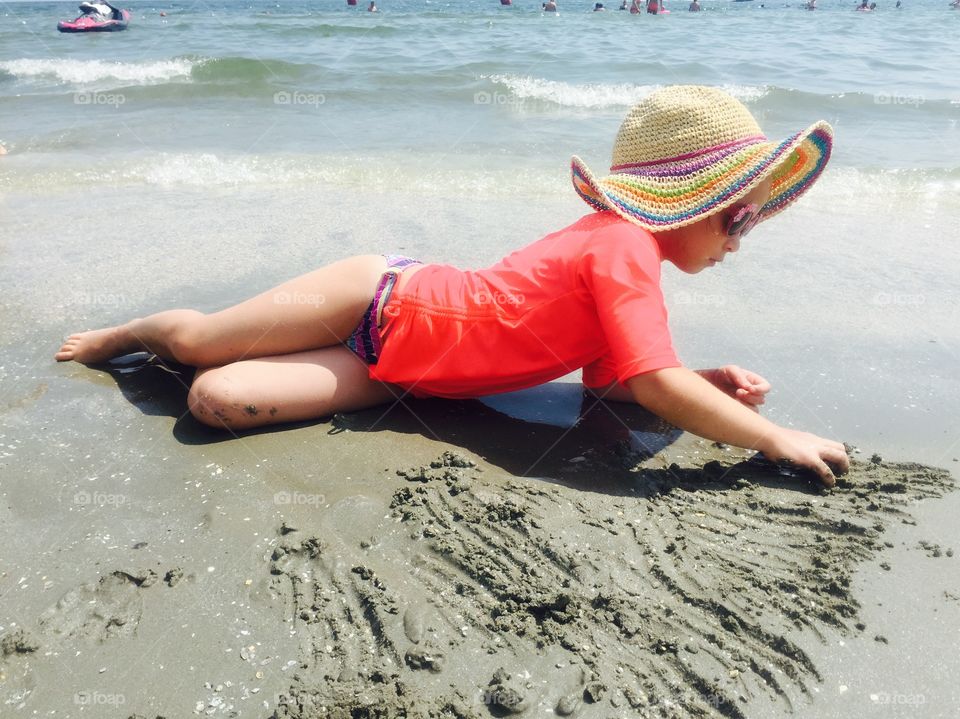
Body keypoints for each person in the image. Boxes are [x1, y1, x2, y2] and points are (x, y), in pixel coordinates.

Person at [55, 86, 849, 487]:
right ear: (691, 201)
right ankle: (129, 334)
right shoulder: (622, 246)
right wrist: (777, 437)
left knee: (214, 401)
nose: (740, 240)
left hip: (398, 374)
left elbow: (614, 387)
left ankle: (182, 353)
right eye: (737, 219)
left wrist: (699, 381)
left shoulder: (635, 273)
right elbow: (651, 380)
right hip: (376, 296)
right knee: (194, 346)